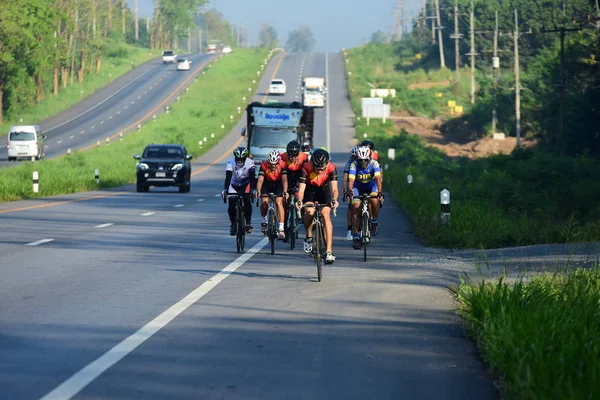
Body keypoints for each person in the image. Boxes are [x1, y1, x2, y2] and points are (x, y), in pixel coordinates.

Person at [296, 148, 339, 264]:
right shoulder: (305, 168)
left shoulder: (331, 167)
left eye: (322, 169)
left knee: (326, 215)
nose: (320, 171)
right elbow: (301, 190)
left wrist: (335, 199)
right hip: (310, 190)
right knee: (309, 212)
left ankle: (329, 251)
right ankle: (309, 236)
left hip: (324, 190)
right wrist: (299, 201)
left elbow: (334, 189)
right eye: (317, 169)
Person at [346, 146, 384, 249]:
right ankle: (357, 236)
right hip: (357, 187)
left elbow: (378, 179)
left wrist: (380, 192)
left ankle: (374, 221)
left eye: (365, 160)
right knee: (356, 206)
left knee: (374, 199)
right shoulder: (354, 165)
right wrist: (349, 191)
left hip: (371, 187)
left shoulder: (374, 164)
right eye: (360, 160)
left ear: (369, 159)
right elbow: (351, 181)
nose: (363, 162)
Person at [221, 147, 256, 235]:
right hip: (234, 185)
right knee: (231, 204)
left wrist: (252, 190)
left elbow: (252, 178)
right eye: (238, 159)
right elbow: (228, 177)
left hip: (245, 184)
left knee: (247, 200)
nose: (240, 161)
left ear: (245, 158)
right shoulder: (230, 162)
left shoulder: (250, 163)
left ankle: (248, 223)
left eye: (242, 159)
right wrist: (225, 190)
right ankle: (233, 223)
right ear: (235, 158)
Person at [256, 149, 288, 239]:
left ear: (278, 162)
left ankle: (281, 228)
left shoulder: (283, 165)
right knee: (264, 202)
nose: (273, 166)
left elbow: (284, 180)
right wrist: (258, 190)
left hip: (278, 184)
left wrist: (285, 191)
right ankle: (264, 220)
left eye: (275, 164)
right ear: (268, 162)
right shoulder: (264, 165)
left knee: (278, 203)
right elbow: (260, 180)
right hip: (267, 183)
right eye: (271, 164)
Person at [281, 140, 309, 242]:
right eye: (290, 155)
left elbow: (305, 172)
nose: (292, 158)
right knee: (285, 201)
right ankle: (284, 227)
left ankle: (300, 210)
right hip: (287, 176)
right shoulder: (283, 157)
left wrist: (300, 186)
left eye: (295, 155)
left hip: (299, 175)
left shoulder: (304, 157)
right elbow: (282, 174)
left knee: (301, 193)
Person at [342, 146, 360, 241]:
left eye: (356, 157)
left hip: (362, 185)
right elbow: (345, 179)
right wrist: (345, 191)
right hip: (352, 185)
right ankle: (349, 230)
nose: (354, 159)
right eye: (353, 157)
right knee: (351, 207)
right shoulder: (349, 164)